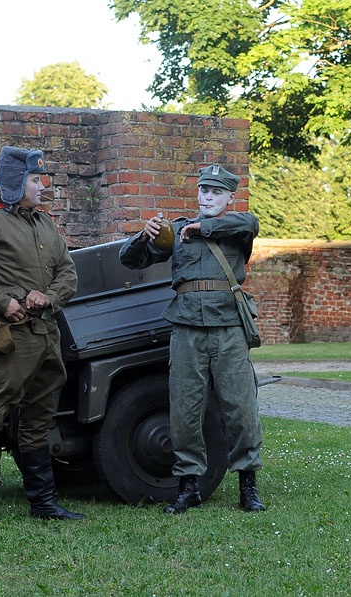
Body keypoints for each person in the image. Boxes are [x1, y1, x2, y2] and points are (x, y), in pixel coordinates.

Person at [0, 146, 84, 527]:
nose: (43, 186)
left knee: (39, 420)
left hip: (46, 336)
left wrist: (50, 296)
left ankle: (43, 504)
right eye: (35, 180)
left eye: (41, 179)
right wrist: (1, 301)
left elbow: (68, 275)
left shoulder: (46, 225)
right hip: (8, 338)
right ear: (14, 183)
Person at [119, 164, 266, 514]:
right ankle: (188, 486)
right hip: (186, 328)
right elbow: (129, 260)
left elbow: (250, 223)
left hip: (229, 329)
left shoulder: (235, 228)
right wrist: (144, 235)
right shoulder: (178, 231)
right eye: (203, 191)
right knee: (184, 409)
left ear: (231, 197)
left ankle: (248, 484)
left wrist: (205, 228)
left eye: (216, 192)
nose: (208, 197)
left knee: (240, 408)